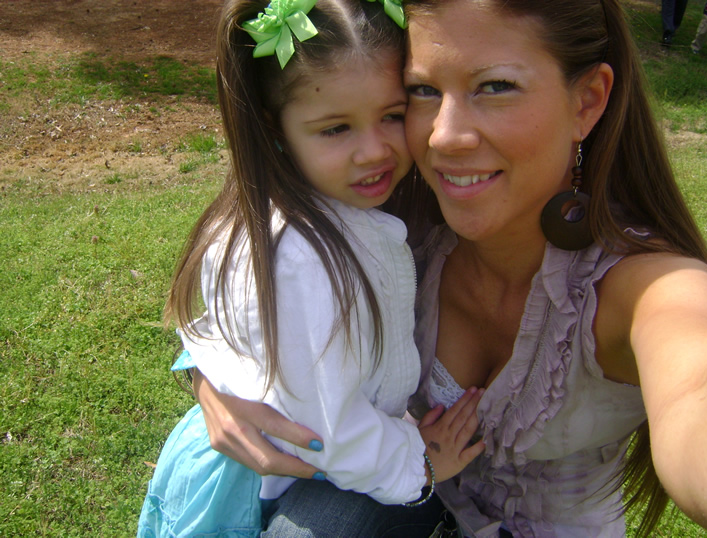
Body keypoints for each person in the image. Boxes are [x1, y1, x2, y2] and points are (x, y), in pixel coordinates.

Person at [191, 0, 707, 536]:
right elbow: (255, 279)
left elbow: (700, 382)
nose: (443, 136)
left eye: (495, 86)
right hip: (403, 500)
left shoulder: (646, 287)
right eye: (422, 90)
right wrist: (210, 381)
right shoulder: (395, 218)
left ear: (587, 101)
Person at [136, 0, 488, 536]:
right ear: (274, 128)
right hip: (257, 478)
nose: (373, 151)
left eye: (392, 116)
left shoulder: (309, 209)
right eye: (335, 128)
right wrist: (418, 462)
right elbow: (328, 430)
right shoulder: (299, 258)